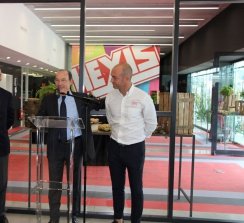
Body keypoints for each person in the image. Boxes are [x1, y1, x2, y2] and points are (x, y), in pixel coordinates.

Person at [37, 70, 97, 223]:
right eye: (57, 80)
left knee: (75, 183)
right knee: (54, 184)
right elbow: (40, 118)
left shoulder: (81, 98)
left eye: (63, 80)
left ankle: (74, 214)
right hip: (55, 146)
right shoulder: (48, 99)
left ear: (71, 81)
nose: (60, 83)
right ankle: (54, 218)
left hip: (75, 146)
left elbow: (98, 105)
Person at [105, 63, 157, 223]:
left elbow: (151, 124)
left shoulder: (143, 97)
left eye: (114, 77)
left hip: (135, 148)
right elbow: (110, 119)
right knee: (116, 186)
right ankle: (118, 218)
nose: (111, 80)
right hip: (114, 146)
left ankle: (136, 220)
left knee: (136, 188)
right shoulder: (110, 97)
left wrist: (137, 137)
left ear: (126, 78)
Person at [0, 69, 15, 223]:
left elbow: (11, 118)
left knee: (1, 182)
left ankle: (0, 213)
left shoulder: (6, 96)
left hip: (1, 145)